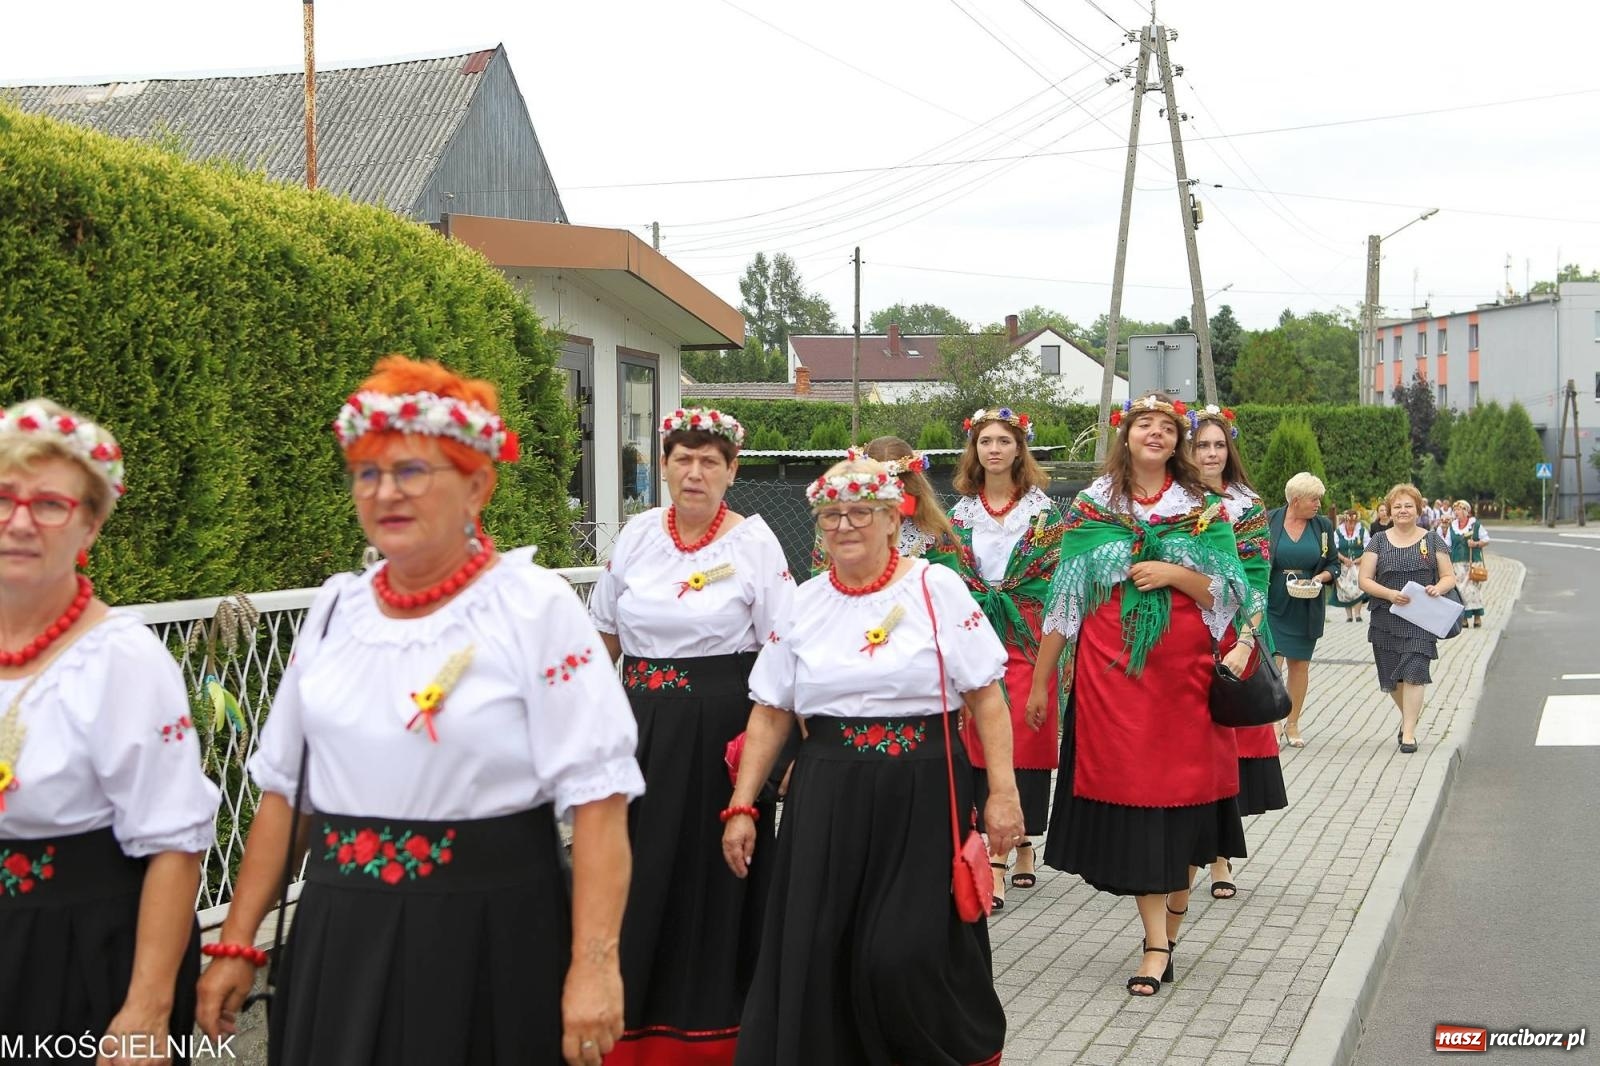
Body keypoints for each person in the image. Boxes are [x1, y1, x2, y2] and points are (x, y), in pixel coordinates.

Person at [196, 356, 643, 1066]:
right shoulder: (335, 610)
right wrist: (238, 941)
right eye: (368, 473)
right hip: (340, 928)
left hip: (490, 929)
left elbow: (599, 799)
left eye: (411, 472)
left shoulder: (533, 606)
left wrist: (595, 965)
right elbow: (287, 796)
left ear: (477, 484)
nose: (385, 493)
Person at [721, 457, 1023, 1065]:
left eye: (861, 512)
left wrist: (1003, 792)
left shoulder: (935, 588)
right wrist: (742, 806)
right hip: (827, 796)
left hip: (921, 791)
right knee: (822, 947)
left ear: (893, 518)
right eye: (832, 514)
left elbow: (987, 698)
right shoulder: (804, 603)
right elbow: (771, 711)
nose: (845, 525)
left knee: (902, 954)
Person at [0, 400, 220, 1062]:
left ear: (90, 523)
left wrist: (146, 1009)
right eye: (5, 498)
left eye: (49, 506)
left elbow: (176, 845)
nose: (18, 522)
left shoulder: (121, 659)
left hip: (77, 956)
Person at [588, 407, 793, 1066]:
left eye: (710, 461)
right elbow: (603, 642)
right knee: (637, 871)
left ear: (732, 471)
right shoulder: (639, 536)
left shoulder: (755, 545)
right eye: (683, 458)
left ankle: (718, 1034)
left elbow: (785, 654)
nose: (695, 472)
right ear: (665, 466)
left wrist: (791, 757)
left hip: (721, 734)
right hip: (641, 729)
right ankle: (628, 1026)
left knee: (713, 878)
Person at [1034, 394, 1251, 997]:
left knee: (1182, 813)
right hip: (1113, 686)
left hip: (1184, 685)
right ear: (1125, 436)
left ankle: (1170, 929)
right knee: (1140, 813)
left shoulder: (1205, 507)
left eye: (1166, 427)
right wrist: (1040, 682)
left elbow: (1229, 595)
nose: (1154, 433)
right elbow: (1067, 600)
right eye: (1143, 425)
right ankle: (1156, 942)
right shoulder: (1090, 506)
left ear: (1178, 442)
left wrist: (1176, 575)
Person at [946, 407, 1062, 908]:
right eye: (985, 441)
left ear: (1020, 449)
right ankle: (991, 845)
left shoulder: (1043, 512)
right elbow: (950, 571)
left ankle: (1023, 843)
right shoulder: (958, 514)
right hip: (976, 627)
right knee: (976, 730)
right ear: (974, 451)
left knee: (1026, 735)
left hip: (1027, 631)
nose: (993, 449)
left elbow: (1055, 576)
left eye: (1003, 441)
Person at [1190, 406, 1284, 902]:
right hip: (1179, 634)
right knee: (1187, 748)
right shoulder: (1170, 501)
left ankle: (1222, 857)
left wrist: (1248, 638)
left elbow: (1256, 579)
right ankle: (1187, 854)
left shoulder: (1246, 507)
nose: (1210, 454)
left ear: (1230, 451)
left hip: (1232, 636)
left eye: (1218, 445)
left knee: (1226, 747)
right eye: (1202, 445)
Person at [1359, 484, 1457, 753]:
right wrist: (1389, 594)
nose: (1403, 511)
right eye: (1398, 506)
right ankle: (1409, 718)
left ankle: (1409, 733)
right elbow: (1364, 580)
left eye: (1408, 506)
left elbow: (1449, 575)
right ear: (1390, 511)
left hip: (1421, 619)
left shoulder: (1432, 539)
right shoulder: (1378, 540)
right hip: (1385, 617)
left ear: (1418, 510)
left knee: (1415, 672)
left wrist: (1439, 588)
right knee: (1392, 678)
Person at [809, 436, 959, 573]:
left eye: (895, 487)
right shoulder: (837, 528)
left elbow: (947, 591)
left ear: (910, 485)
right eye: (877, 489)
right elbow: (820, 580)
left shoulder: (932, 534)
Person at [1266, 473, 1340, 748]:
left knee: (1300, 664)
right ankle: (1273, 722)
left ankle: (1293, 722)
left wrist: (1320, 579)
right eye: (1314, 499)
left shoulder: (1322, 527)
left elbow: (1333, 564)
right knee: (1273, 662)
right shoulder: (1270, 520)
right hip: (1273, 601)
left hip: (1306, 602)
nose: (1318, 504)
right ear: (1296, 501)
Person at [1442, 499, 1490, 628]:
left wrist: (1476, 544)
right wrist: (1444, 529)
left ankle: (1477, 617)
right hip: (1457, 563)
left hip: (1473, 562)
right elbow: (1447, 543)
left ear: (1466, 511)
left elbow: (1486, 539)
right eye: (1455, 510)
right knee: (1461, 590)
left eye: (1458, 510)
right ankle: (1463, 617)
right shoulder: (1452, 526)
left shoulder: (1475, 525)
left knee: (1474, 589)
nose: (1456, 512)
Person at [1333, 509, 1370, 622]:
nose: (1351, 524)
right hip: (1344, 565)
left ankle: (1358, 614)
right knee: (1345, 588)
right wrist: (1344, 559)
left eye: (1353, 522)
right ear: (1345, 521)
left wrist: (1361, 558)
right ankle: (1349, 616)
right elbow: (1334, 549)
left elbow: (1368, 548)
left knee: (1358, 587)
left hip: (1358, 565)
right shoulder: (1338, 532)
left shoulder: (1362, 531)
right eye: (1349, 522)